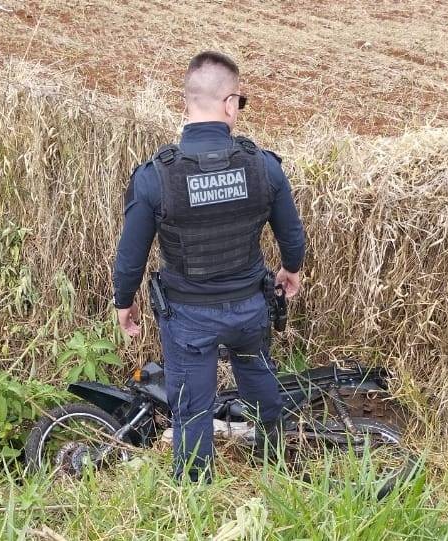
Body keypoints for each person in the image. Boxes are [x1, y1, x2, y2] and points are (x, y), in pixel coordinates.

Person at [112, 51, 306, 482]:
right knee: (259, 379)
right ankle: (273, 460)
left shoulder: (155, 177)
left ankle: (195, 491)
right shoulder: (263, 166)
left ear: (187, 103)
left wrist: (124, 303)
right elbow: (292, 237)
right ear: (231, 102)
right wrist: (290, 270)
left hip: (188, 318)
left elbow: (131, 256)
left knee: (192, 406)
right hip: (250, 309)